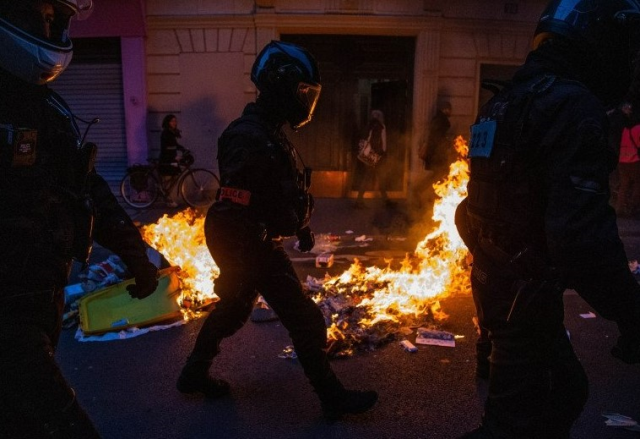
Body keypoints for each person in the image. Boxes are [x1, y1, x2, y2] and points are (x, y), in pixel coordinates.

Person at [457, 1, 640, 437]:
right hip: (523, 289)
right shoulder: (571, 106)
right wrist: (632, 313)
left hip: (497, 280)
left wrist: (493, 263)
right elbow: (582, 240)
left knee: (559, 391)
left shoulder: (501, 104)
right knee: (525, 414)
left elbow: (468, 211)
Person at [176, 40, 378, 420]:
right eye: (303, 91)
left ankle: (193, 374)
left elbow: (278, 193)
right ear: (279, 85)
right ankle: (332, 398)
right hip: (246, 239)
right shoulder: (248, 134)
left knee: (234, 311)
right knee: (302, 318)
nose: (306, 101)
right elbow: (240, 200)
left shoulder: (268, 131)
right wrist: (242, 260)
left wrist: (299, 227)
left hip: (251, 237)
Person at [0, 1, 160, 438]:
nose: (54, 29)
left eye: (61, 19)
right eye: (46, 15)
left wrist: (136, 254)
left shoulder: (45, 107)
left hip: (41, 293)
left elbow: (86, 190)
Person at [354, 109, 391, 208]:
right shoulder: (380, 126)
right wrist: (381, 153)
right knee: (378, 177)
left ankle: (360, 200)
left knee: (368, 177)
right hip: (376, 156)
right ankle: (385, 201)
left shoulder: (369, 125)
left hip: (368, 155)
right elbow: (381, 143)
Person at [615, 103, 640, 217]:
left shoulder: (625, 129)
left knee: (624, 185)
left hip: (622, 160)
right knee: (638, 184)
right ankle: (633, 208)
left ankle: (619, 209)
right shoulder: (638, 129)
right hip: (634, 161)